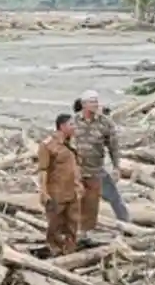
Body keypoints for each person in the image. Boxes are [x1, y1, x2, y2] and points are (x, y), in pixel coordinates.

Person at [73, 90, 123, 241]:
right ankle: (73, 230)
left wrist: (116, 167)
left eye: (96, 101)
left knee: (92, 202)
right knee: (74, 200)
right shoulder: (73, 121)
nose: (95, 104)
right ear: (83, 104)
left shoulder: (105, 123)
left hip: (95, 170)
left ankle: (87, 232)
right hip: (76, 170)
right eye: (91, 101)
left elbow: (113, 147)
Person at [38, 114, 82, 255]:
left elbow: (75, 166)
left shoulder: (71, 144)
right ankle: (54, 249)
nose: (75, 128)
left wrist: (79, 184)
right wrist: (44, 191)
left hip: (72, 192)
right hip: (56, 192)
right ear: (62, 126)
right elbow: (43, 170)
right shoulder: (48, 145)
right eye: (71, 125)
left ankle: (70, 250)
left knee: (73, 223)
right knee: (55, 224)